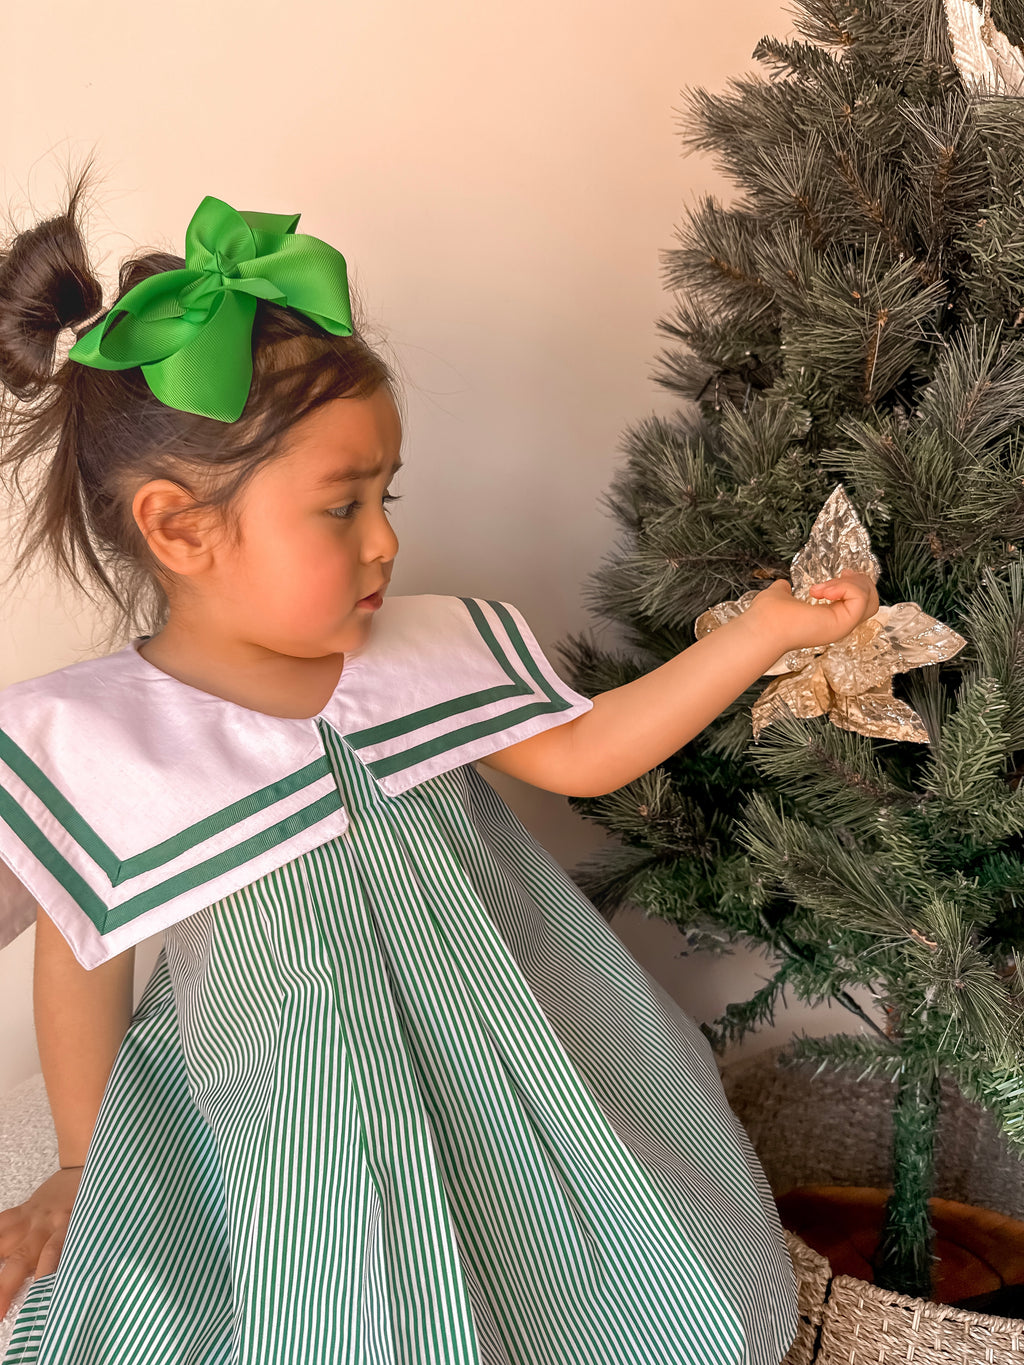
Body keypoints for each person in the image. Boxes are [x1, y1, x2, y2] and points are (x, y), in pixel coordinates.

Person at [0, 168, 879, 1365]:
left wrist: (762, 632)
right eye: (341, 507)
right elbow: (81, 953)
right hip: (300, 1101)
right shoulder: (102, 735)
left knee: (597, 1275)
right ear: (180, 528)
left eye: (388, 494)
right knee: (335, 1301)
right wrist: (80, 1165)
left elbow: (586, 751)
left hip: (509, 1054)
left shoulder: (425, 652)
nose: (387, 540)